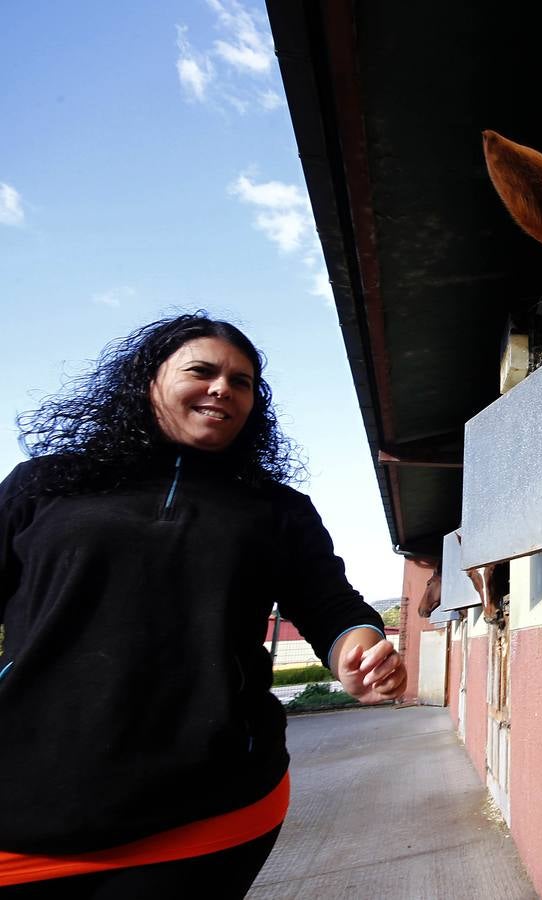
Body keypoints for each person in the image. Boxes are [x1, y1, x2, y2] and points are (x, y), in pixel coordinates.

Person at [0, 313, 406, 896]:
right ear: (149, 381)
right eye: (203, 371)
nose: (223, 388)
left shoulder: (276, 509)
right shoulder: (45, 484)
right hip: (25, 808)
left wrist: (359, 649)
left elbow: (329, 604)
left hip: (215, 812)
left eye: (242, 382)